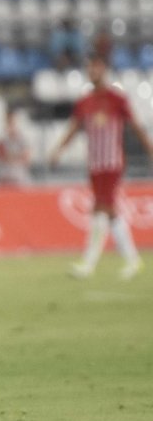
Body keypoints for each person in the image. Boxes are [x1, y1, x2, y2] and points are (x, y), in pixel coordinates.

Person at [51, 54, 153, 280]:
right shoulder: (85, 101)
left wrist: (149, 148)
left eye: (96, 67)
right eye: (89, 68)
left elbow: (135, 125)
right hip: (95, 164)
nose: (92, 71)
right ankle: (133, 260)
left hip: (112, 163)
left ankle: (88, 263)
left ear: (104, 69)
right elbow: (74, 128)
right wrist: (59, 150)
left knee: (99, 208)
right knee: (110, 211)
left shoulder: (117, 99)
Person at [0, 106, 31, 188]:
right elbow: (0, 155)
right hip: (4, 177)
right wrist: (16, 156)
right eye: (9, 120)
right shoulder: (1, 137)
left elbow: (26, 158)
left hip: (19, 178)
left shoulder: (23, 138)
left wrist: (11, 156)